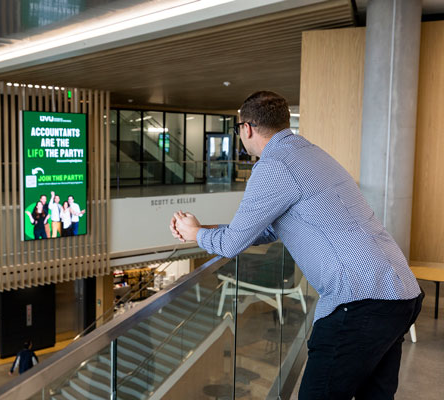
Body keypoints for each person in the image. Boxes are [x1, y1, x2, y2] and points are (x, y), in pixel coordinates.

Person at [170, 91, 423, 400]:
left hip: (359, 301)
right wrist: (201, 230)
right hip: (401, 292)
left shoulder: (273, 166)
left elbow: (232, 244)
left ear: (246, 128)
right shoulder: (311, 153)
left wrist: (195, 234)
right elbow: (267, 231)